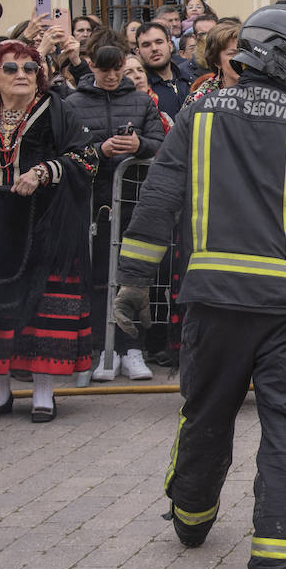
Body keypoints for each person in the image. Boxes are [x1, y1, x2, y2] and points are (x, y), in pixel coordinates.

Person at [111, 6, 286, 569]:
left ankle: (192, 516)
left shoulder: (197, 117)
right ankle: (279, 561)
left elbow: (156, 203)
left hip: (214, 302)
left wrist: (132, 282)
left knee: (206, 412)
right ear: (282, 59)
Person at [0, 41, 99, 423]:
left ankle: (43, 394)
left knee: (42, 308)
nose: (21, 75)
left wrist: (43, 171)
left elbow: (86, 157)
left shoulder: (57, 110)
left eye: (29, 69)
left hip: (47, 224)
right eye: (11, 69)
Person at [65, 42, 168, 382]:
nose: (111, 76)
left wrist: (140, 145)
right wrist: (98, 150)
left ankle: (134, 350)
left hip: (135, 201)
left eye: (116, 69)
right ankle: (104, 349)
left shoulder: (141, 101)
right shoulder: (73, 103)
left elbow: (161, 143)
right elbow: (66, 151)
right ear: (90, 65)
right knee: (97, 277)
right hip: (93, 203)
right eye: (103, 69)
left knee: (134, 277)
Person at [136, 21, 192, 117]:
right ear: (138, 52)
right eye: (146, 45)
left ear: (170, 46)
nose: (154, 48)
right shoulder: (141, 89)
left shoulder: (190, 81)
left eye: (159, 42)